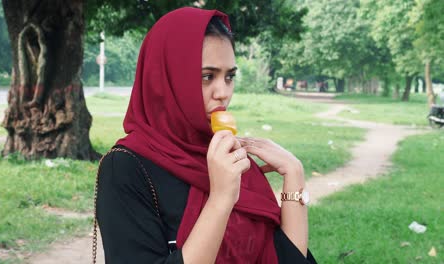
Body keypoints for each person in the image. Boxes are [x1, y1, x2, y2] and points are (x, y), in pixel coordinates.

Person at [95, 7, 316, 264]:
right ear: (166, 78)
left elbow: (287, 259)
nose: (223, 92)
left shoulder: (229, 158)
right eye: (207, 76)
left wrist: (294, 175)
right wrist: (221, 199)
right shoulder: (124, 167)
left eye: (230, 77)